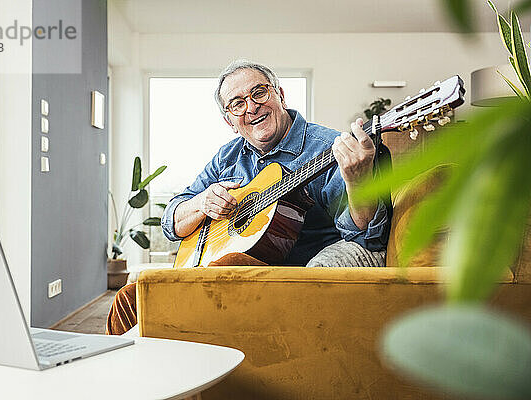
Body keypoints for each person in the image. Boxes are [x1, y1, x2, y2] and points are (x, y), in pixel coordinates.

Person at [106, 60, 391, 335]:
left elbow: (368, 236)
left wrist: (358, 180)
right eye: (237, 103)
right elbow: (171, 222)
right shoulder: (227, 157)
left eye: (259, 92)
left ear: (279, 94)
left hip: (288, 275)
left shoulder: (328, 147)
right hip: (222, 271)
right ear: (230, 120)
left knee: (219, 274)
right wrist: (202, 202)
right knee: (128, 301)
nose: (252, 107)